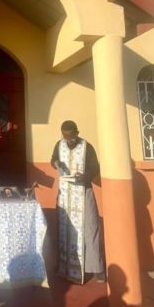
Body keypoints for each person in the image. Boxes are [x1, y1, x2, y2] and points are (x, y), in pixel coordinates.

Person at [51, 120, 105, 284]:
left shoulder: (87, 147)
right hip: (65, 193)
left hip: (83, 191)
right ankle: (64, 266)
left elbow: (95, 167)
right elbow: (53, 159)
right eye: (65, 137)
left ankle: (96, 269)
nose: (68, 140)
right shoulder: (59, 145)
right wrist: (56, 163)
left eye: (71, 136)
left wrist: (85, 176)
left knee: (91, 229)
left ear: (77, 133)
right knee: (65, 229)